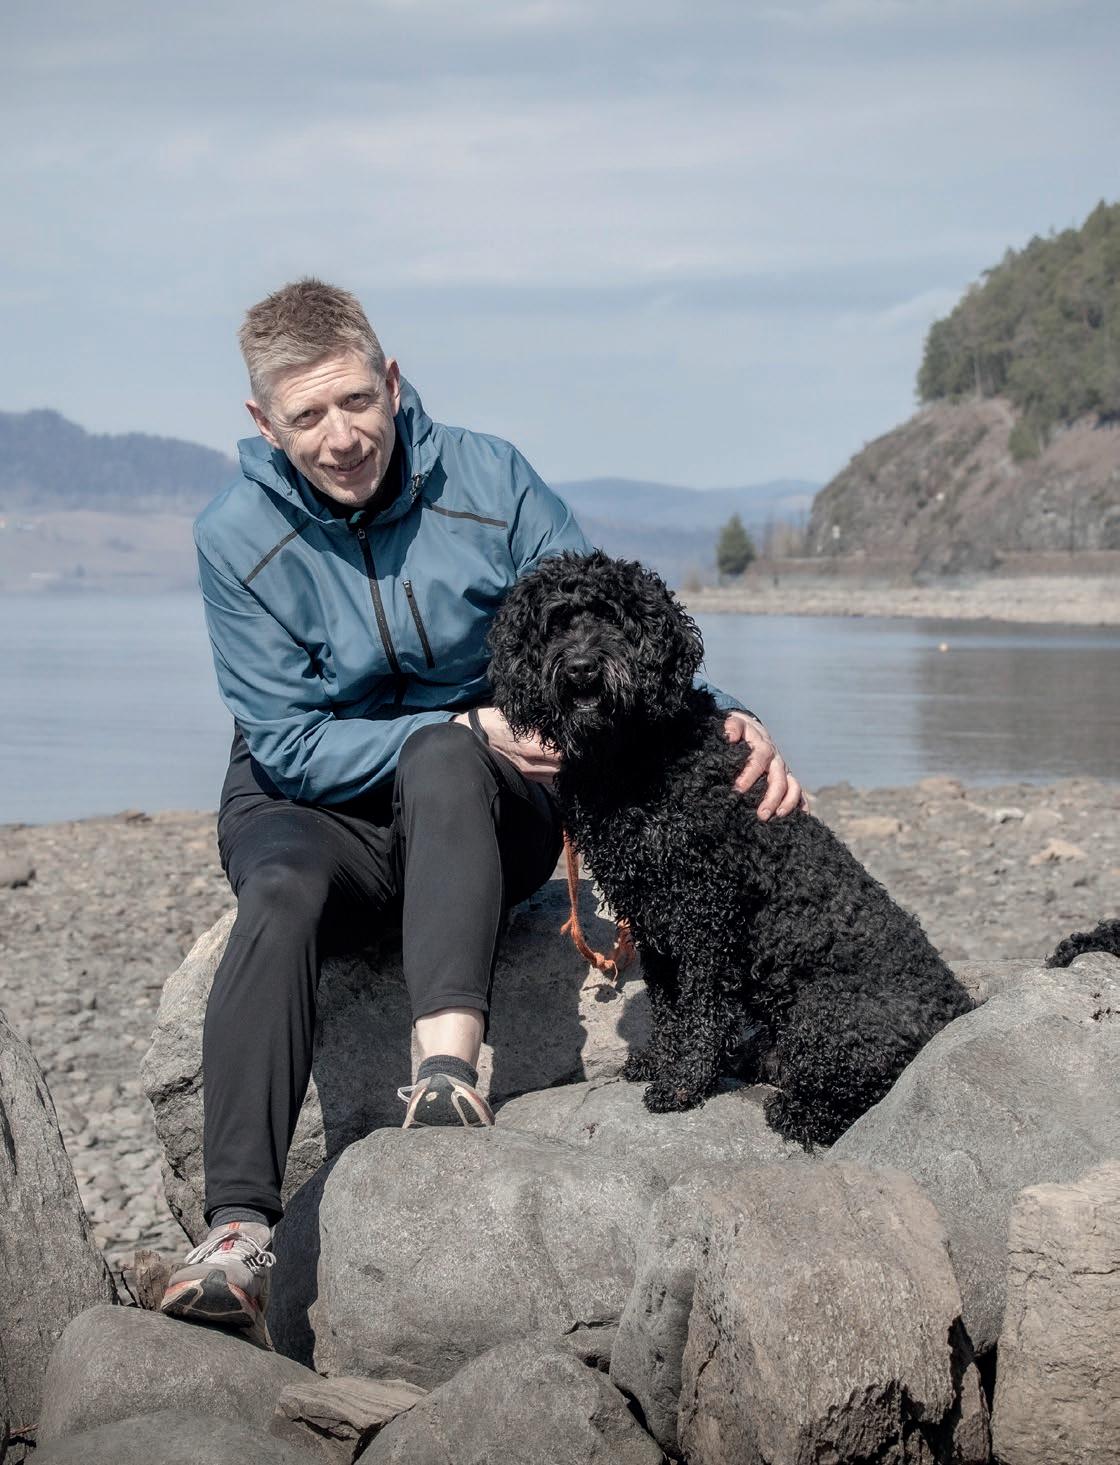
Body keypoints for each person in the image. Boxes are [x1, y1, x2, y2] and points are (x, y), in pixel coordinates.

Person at [159, 278, 803, 1342]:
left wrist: (725, 717)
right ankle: (237, 1233)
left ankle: (447, 1079)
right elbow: (289, 744)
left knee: (443, 757)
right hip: (309, 801)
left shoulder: (490, 478)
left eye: (356, 401)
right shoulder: (234, 535)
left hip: (481, 800)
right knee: (276, 892)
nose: (341, 438)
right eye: (308, 416)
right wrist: (460, 720)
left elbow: (605, 627)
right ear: (264, 424)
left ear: (391, 380)